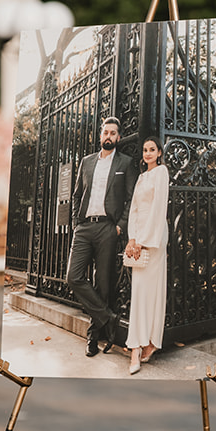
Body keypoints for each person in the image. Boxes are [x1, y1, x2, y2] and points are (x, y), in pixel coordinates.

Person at [65, 116, 138, 357]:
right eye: (106, 132)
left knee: (103, 285)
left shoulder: (125, 162)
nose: (109, 136)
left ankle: (93, 338)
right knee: (73, 277)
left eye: (113, 133)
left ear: (118, 137)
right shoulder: (86, 162)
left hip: (108, 228)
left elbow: (131, 198)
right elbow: (77, 195)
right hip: (84, 228)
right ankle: (109, 318)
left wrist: (120, 226)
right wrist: (76, 223)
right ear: (100, 135)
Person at [125, 137, 171, 374]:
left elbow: (158, 208)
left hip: (154, 239)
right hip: (139, 238)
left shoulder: (161, 173)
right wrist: (132, 238)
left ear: (159, 152)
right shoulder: (142, 177)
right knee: (139, 292)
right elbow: (134, 209)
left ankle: (150, 342)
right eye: (145, 150)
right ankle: (136, 347)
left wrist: (143, 241)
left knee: (153, 291)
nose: (148, 153)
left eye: (152, 149)